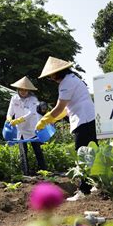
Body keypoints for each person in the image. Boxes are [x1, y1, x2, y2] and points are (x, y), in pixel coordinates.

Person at [36, 56, 97, 201]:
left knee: (82, 155)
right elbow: (64, 110)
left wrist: (45, 120)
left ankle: (84, 190)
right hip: (88, 118)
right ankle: (95, 185)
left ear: (58, 72)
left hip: (83, 120)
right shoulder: (72, 78)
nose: (50, 77)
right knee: (91, 153)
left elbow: (59, 108)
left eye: (51, 74)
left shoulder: (66, 82)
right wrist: (52, 119)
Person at [6, 76, 47, 175]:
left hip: (32, 127)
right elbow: (10, 112)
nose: (23, 92)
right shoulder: (14, 98)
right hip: (20, 129)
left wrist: (19, 120)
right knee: (23, 151)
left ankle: (44, 170)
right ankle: (25, 173)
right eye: (21, 90)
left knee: (37, 149)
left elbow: (31, 113)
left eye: (25, 90)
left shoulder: (33, 99)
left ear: (28, 90)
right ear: (18, 90)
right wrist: (9, 119)